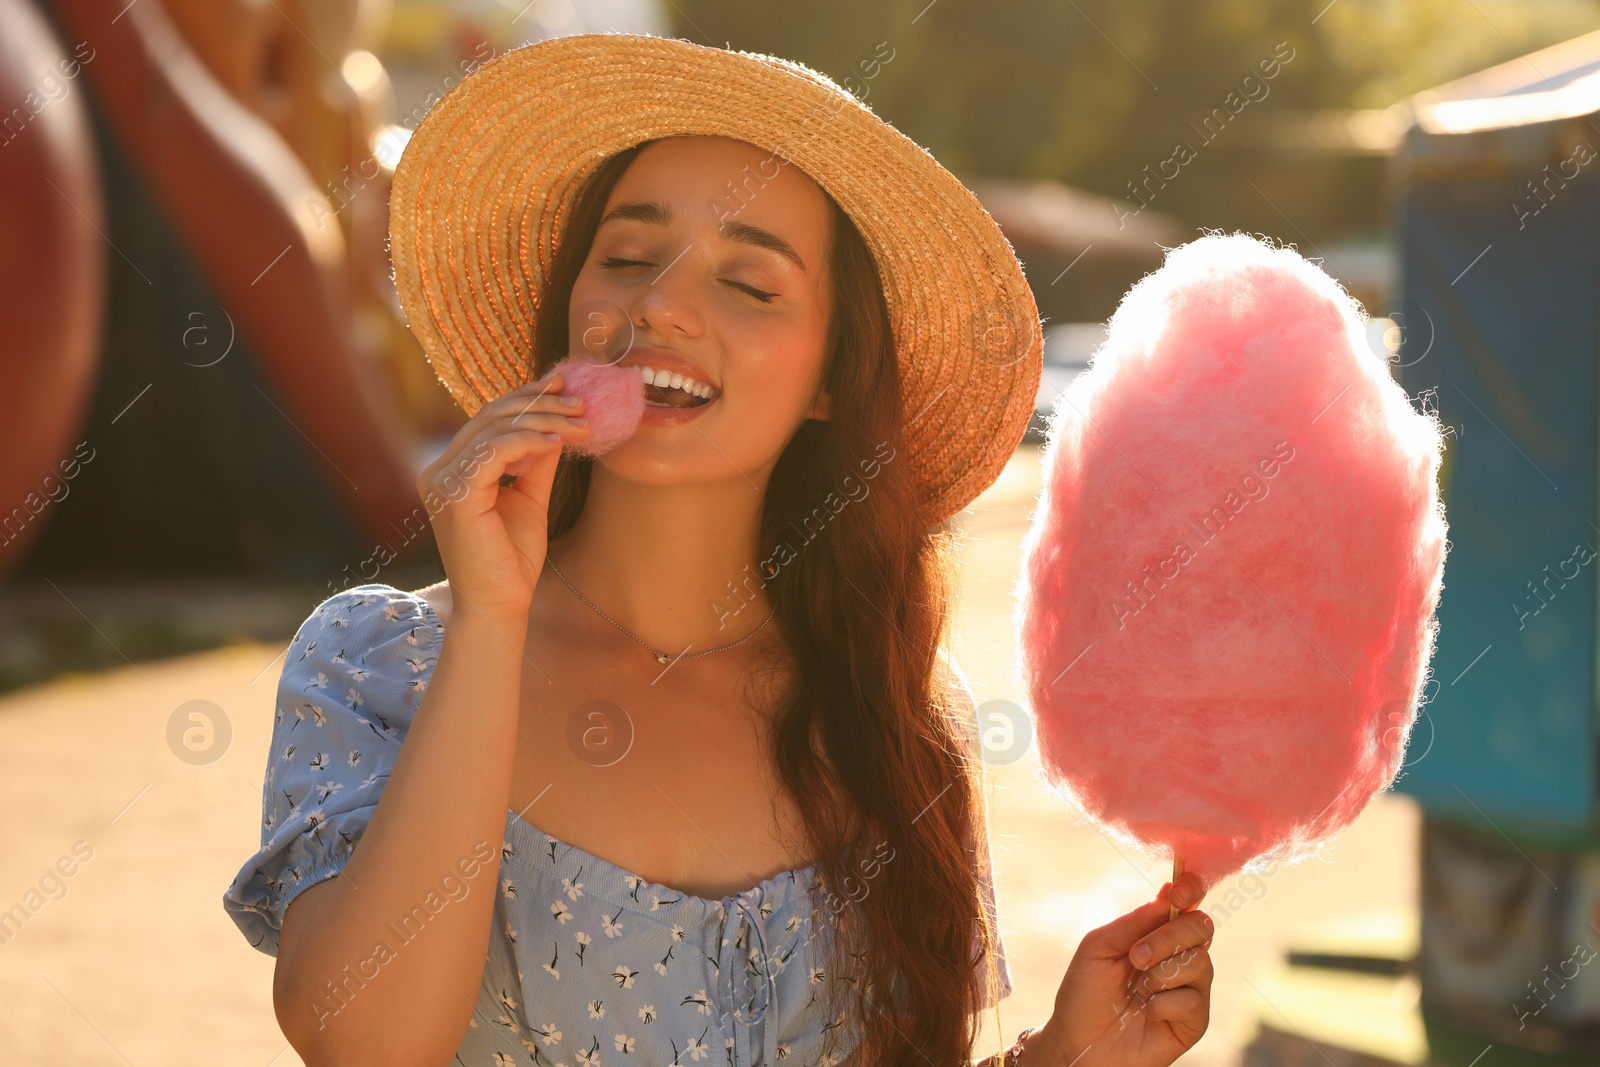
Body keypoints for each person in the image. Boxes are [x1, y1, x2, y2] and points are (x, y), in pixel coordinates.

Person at [222, 33, 1214, 1067]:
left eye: (750, 282)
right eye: (627, 257)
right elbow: (368, 1044)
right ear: (572, 304)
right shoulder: (378, 661)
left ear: (830, 376)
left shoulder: (891, 709)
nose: (660, 305)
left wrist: (1066, 1055)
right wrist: (492, 621)